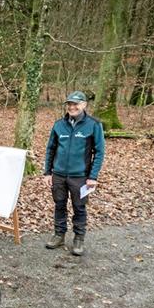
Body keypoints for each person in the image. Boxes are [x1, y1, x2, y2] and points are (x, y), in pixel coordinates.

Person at [43, 91, 106, 256]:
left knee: (79, 207)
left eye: (76, 104)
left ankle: (79, 238)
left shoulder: (94, 125)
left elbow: (99, 152)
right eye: (69, 104)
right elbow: (51, 149)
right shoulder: (58, 125)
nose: (72, 107)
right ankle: (59, 234)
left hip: (81, 177)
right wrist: (47, 172)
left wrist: (93, 177)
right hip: (58, 175)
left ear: (84, 105)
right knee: (59, 205)